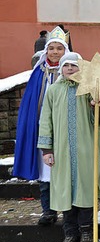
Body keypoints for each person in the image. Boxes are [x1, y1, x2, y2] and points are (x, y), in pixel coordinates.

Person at [37, 52, 100, 242]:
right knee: (65, 192)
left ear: (80, 68)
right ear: (61, 69)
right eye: (66, 66)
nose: (69, 69)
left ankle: (87, 234)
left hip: (85, 150)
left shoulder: (89, 89)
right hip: (62, 151)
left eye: (74, 66)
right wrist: (47, 149)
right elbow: (45, 120)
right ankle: (70, 234)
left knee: (85, 190)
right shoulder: (54, 91)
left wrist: (96, 106)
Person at [13, 26, 69, 226]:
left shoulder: (71, 71)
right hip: (41, 128)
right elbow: (31, 101)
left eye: (59, 49)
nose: (55, 52)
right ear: (46, 50)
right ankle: (48, 211)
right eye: (52, 48)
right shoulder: (39, 72)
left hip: (64, 128)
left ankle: (68, 212)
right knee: (46, 172)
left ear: (65, 51)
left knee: (64, 170)